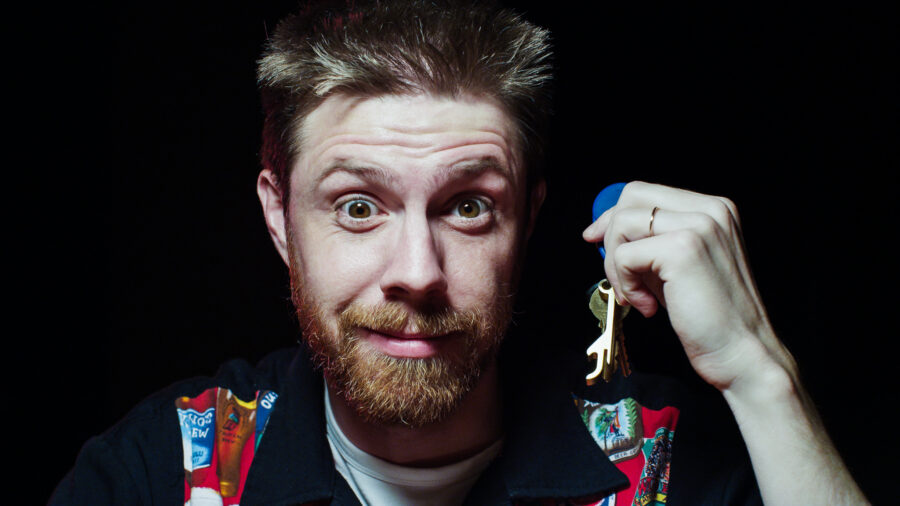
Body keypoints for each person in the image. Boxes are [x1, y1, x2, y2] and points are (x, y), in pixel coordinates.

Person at [53, 1, 868, 504]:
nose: (417, 271)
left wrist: (761, 374)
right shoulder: (163, 468)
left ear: (529, 220)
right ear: (278, 217)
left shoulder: (664, 461)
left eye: (470, 206)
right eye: (359, 205)